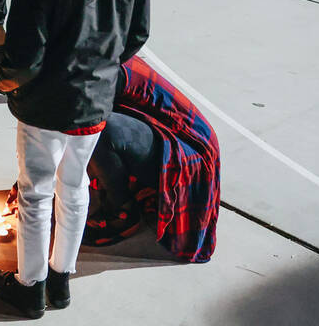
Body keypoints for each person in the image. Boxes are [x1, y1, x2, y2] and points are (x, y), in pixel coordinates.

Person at [0, 0, 150, 318]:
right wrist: (100, 68)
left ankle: (29, 287)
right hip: (94, 104)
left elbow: (24, 58)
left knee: (35, 193)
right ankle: (61, 281)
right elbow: (136, 36)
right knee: (74, 187)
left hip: (45, 105)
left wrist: (5, 80)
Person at [84, 55, 219, 263]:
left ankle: (123, 214)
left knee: (98, 130)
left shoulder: (102, 75)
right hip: (155, 129)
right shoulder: (93, 57)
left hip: (189, 152)